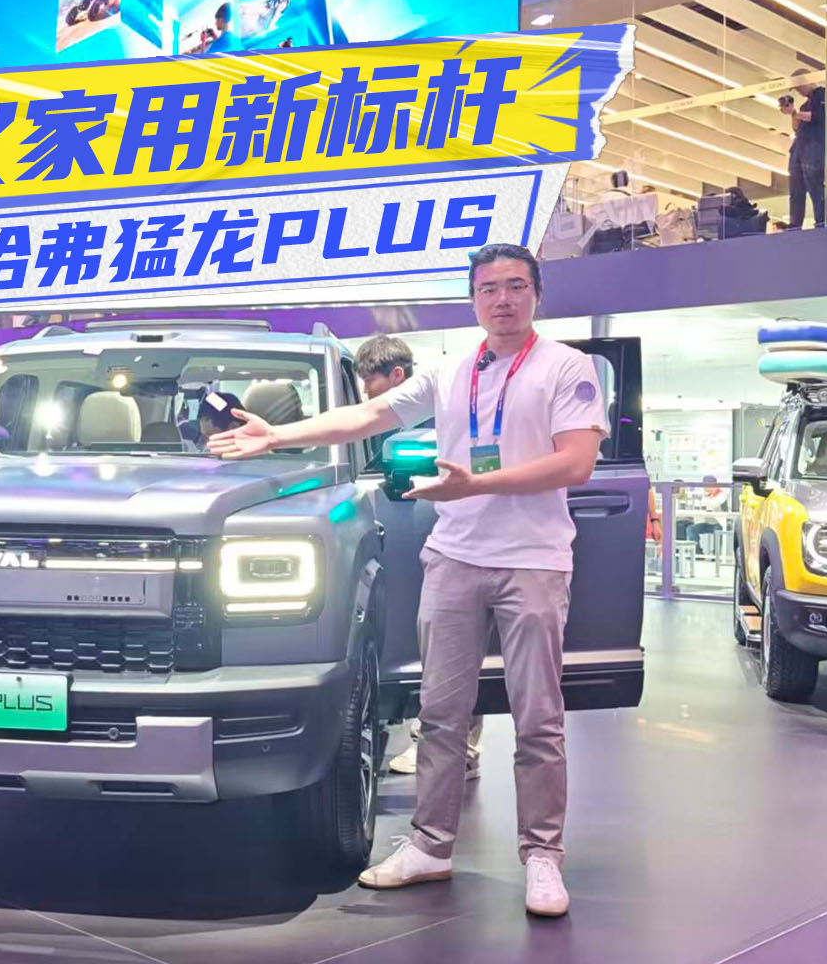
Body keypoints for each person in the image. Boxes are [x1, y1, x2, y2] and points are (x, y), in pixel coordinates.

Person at [211, 244, 606, 916]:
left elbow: (576, 464)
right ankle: (430, 845)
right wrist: (277, 437)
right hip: (454, 556)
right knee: (440, 715)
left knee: (539, 719)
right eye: (489, 288)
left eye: (515, 286)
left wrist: (478, 484)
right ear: (473, 298)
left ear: (537, 294)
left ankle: (542, 855)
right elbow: (369, 416)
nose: (502, 300)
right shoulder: (453, 370)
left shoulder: (566, 367)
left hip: (534, 561)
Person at [355, 334, 489, 781]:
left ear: (397, 376)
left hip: (445, 538)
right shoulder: (388, 417)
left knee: (455, 652)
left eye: (371, 383)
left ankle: (459, 749)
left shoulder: (436, 417)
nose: (366, 393)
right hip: (407, 538)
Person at [780, 69, 826, 229]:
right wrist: (793, 113)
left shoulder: (822, 95)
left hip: (813, 146)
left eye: (799, 86)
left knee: (813, 183)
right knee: (796, 187)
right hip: (800, 146)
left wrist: (795, 112)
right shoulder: (804, 105)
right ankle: (795, 223)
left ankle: (821, 219)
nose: (799, 91)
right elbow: (796, 128)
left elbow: (819, 116)